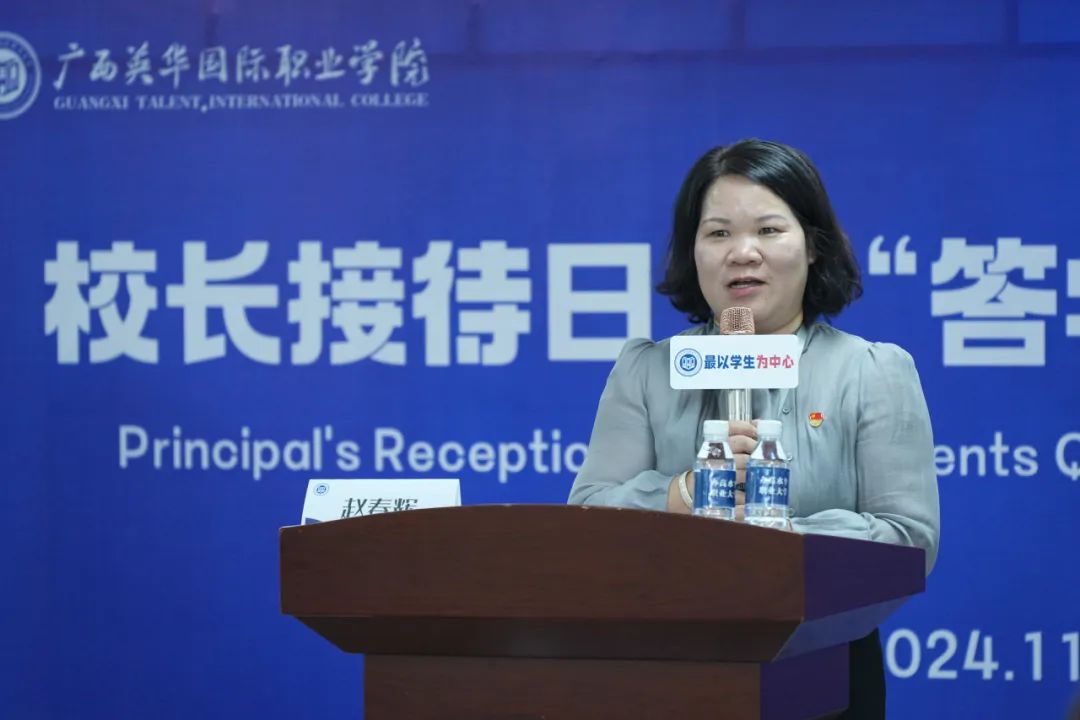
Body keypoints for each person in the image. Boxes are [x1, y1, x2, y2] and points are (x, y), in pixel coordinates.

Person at [567, 139, 941, 719]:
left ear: (812, 245)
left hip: (825, 669)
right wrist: (685, 494)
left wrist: (779, 540)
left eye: (768, 230)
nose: (742, 253)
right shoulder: (647, 370)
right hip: (667, 668)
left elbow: (908, 537)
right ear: (693, 251)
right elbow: (586, 516)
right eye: (718, 233)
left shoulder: (870, 370)